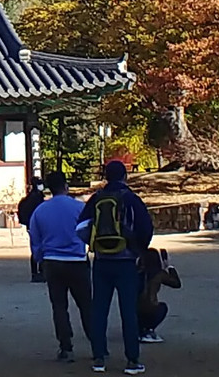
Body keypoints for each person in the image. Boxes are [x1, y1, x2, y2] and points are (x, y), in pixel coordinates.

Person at [77, 161, 153, 375]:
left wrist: (93, 243)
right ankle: (132, 360)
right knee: (128, 311)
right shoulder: (131, 199)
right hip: (126, 261)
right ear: (125, 176)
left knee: (99, 310)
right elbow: (146, 229)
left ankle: (99, 358)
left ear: (106, 176)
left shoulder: (97, 199)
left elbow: (81, 227)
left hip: (101, 261)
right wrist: (138, 249)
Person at [28, 170, 92, 362]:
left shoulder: (40, 211)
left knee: (59, 306)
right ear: (66, 186)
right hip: (77, 261)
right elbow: (89, 231)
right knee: (86, 304)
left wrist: (41, 258)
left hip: (53, 261)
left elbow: (35, 239)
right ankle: (97, 343)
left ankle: (66, 346)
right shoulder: (80, 207)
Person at [137, 248, 181, 343]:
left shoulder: (137, 272)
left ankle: (138, 330)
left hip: (135, 310)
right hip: (151, 309)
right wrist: (169, 266)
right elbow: (176, 284)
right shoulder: (158, 274)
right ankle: (148, 330)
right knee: (162, 307)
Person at [18, 177, 47, 282]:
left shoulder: (29, 197)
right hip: (38, 225)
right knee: (41, 248)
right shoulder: (36, 198)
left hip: (31, 226)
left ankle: (36, 272)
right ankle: (39, 272)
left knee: (36, 248)